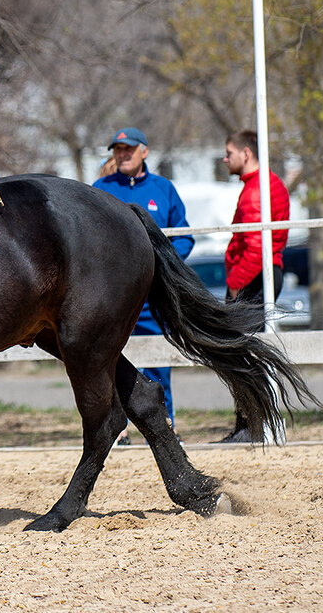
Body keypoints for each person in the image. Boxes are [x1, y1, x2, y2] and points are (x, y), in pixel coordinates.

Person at [92, 128, 194, 443]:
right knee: (107, 359)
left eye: (128, 149)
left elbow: (185, 236)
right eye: (118, 150)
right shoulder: (99, 189)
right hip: (113, 297)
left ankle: (166, 425)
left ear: (144, 152)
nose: (122, 154)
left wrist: (162, 264)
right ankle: (116, 427)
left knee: (158, 359)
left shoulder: (163, 189)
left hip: (153, 294)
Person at [218, 128, 290, 443]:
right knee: (242, 351)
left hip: (254, 279)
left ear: (245, 153)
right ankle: (247, 425)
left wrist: (234, 285)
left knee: (242, 353)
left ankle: (253, 426)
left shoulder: (258, 190)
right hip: (258, 277)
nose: (225, 158)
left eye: (229, 153)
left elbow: (257, 247)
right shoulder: (258, 186)